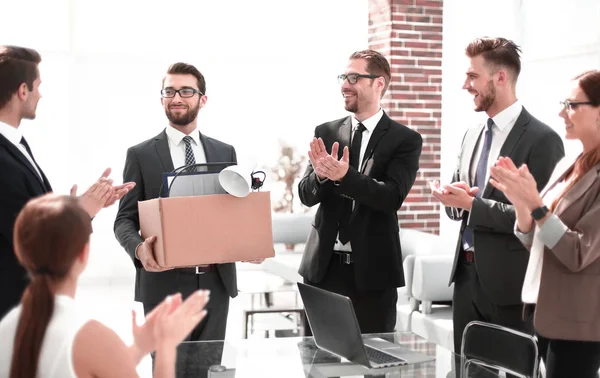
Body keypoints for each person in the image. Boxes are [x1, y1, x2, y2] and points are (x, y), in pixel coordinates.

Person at [429, 37, 564, 375]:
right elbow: (463, 206)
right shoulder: (471, 133)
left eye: (473, 76)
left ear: (500, 77)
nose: (465, 85)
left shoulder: (542, 140)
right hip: (465, 280)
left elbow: (539, 218)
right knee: (467, 372)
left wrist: (473, 205)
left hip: (512, 286)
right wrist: (454, 200)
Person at [115, 62, 253, 342]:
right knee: (168, 371)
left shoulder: (224, 151)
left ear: (202, 99)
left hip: (215, 284)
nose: (176, 98)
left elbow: (234, 212)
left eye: (186, 91)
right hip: (163, 284)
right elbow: (124, 220)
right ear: (162, 98)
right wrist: (139, 250)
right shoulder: (140, 155)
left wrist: (250, 241)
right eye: (170, 91)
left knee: (209, 369)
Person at [0, 194, 209, 378]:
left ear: (21, 253)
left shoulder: (7, 326)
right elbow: (93, 358)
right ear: (83, 253)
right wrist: (166, 346)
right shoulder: (92, 336)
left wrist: (139, 348)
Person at [0, 45, 134, 318]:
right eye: (38, 86)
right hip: (12, 308)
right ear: (22, 90)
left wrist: (72, 207)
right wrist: (82, 211)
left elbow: (25, 212)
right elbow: (29, 239)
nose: (40, 94)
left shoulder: (15, 143)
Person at [298, 49, 423, 333]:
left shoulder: (406, 140)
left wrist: (345, 176)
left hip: (374, 276)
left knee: (376, 365)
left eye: (354, 77)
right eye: (344, 76)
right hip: (322, 271)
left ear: (379, 83)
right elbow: (306, 195)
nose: (345, 84)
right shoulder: (326, 131)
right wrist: (319, 176)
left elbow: (391, 197)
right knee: (318, 364)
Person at [490, 70, 600, 378]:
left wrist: (536, 204)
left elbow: (577, 252)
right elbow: (538, 240)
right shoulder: (570, 165)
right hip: (545, 311)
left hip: (578, 322)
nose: (561, 113)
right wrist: (522, 202)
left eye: (572, 104)